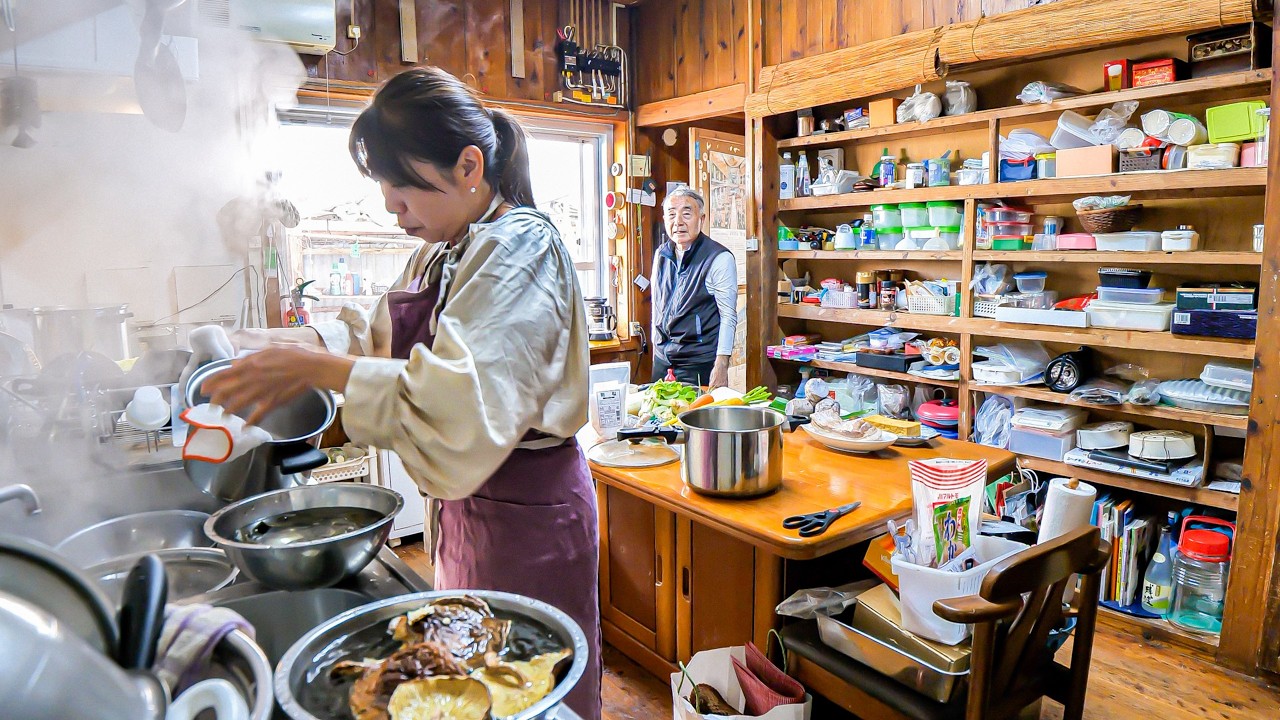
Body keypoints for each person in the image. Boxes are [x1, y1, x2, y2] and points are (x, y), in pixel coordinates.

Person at [200, 67, 601, 719]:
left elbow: (462, 393)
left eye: (403, 185)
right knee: (459, 684)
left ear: (469, 165)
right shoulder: (442, 250)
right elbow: (385, 342)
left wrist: (321, 372)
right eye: (385, 186)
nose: (391, 205)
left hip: (529, 516)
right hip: (467, 508)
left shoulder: (522, 246)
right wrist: (295, 348)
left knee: (531, 690)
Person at [650, 185, 738, 387]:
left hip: (698, 362)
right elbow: (656, 305)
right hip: (664, 360)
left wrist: (721, 365)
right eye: (671, 214)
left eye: (686, 213)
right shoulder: (661, 254)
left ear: (702, 219)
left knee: (694, 417)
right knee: (659, 416)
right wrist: (657, 347)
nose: (678, 222)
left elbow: (728, 316)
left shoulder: (719, 258)